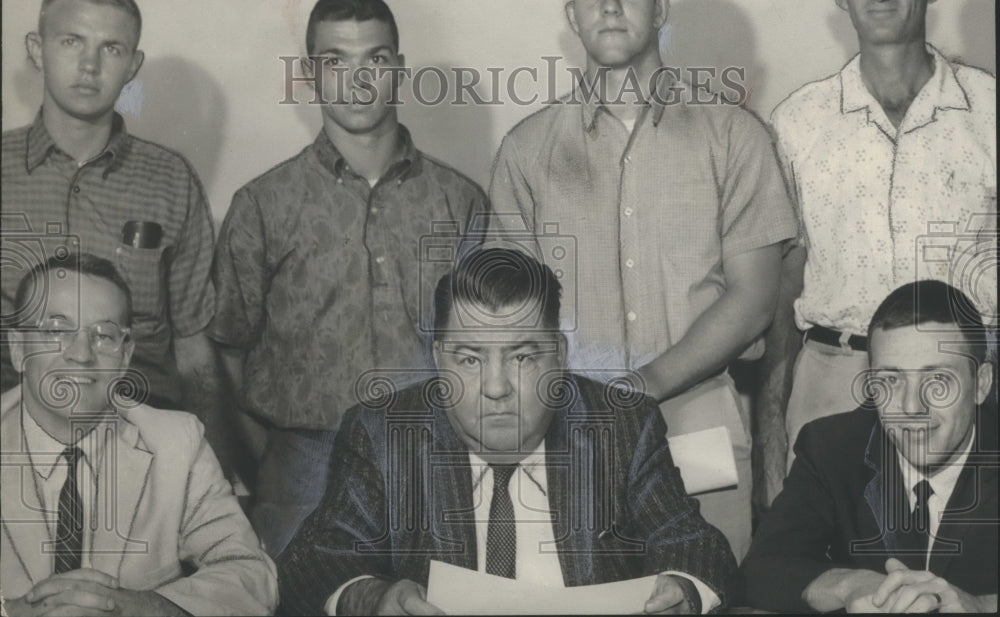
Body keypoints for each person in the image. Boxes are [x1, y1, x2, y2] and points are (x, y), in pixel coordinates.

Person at [488, 0, 797, 560]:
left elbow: (754, 298)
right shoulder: (526, 150)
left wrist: (640, 386)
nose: (608, 5)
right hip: (568, 430)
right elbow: (510, 313)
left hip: (700, 419)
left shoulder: (732, 136)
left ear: (658, 8)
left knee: (706, 590)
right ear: (570, 13)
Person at [277, 247, 736, 615]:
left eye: (522, 357)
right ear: (439, 359)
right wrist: (372, 599)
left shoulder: (619, 426)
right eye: (469, 359)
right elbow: (312, 563)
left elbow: (692, 543)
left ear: (558, 355)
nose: (496, 388)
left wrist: (684, 590)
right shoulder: (383, 433)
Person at [210, 0, 487, 558]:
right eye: (335, 61)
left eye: (376, 60)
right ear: (310, 74)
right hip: (303, 467)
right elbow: (227, 350)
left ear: (399, 71)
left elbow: (483, 349)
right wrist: (269, 462)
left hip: (432, 461)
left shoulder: (460, 202)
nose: (358, 81)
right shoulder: (263, 204)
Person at [756, 0, 997, 510]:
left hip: (961, 386)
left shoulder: (990, 112)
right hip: (835, 378)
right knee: (831, 574)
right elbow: (784, 281)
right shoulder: (798, 122)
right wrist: (772, 414)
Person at [0, 0, 233, 474]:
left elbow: (194, 346)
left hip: (140, 439)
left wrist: (212, 469)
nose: (89, 65)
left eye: (111, 48)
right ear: (37, 50)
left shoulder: (171, 180)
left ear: (133, 65)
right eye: (71, 41)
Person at [1, 253, 277, 616]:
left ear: (126, 354)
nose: (81, 354)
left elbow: (252, 573)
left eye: (104, 336)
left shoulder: (177, 442)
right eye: (56, 330)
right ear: (19, 348)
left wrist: (146, 608)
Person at [740, 280, 997, 613]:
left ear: (982, 385)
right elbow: (760, 571)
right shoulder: (832, 447)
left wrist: (983, 605)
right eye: (890, 380)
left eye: (938, 380)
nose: (912, 407)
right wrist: (850, 585)